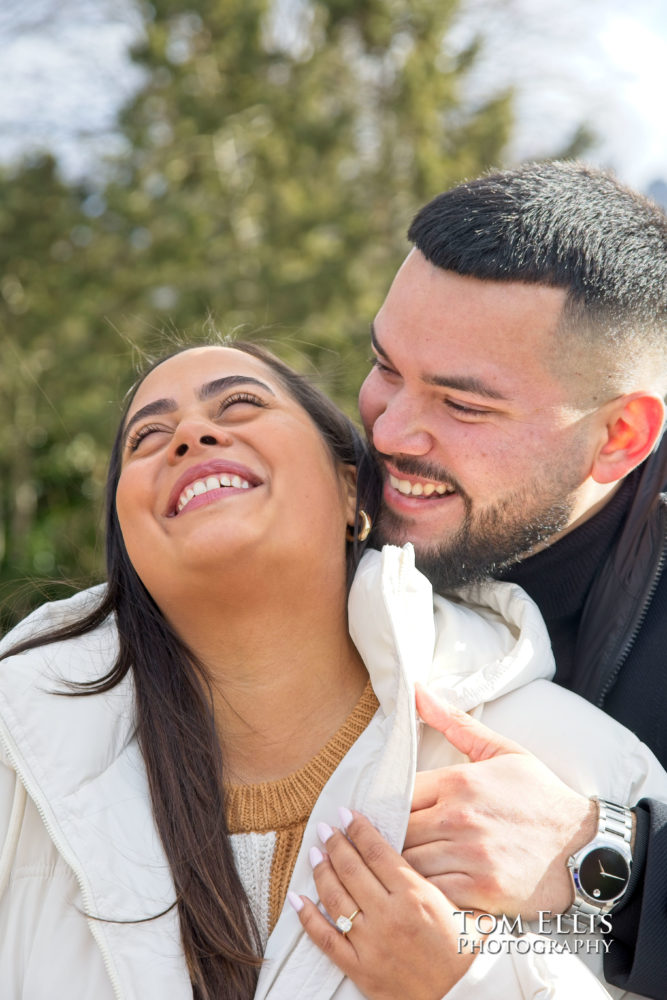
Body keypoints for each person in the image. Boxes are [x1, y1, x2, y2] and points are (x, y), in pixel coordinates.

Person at [0, 341, 662, 1000]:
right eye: (147, 438)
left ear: (352, 488)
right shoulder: (18, 767)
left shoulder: (564, 768)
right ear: (127, 541)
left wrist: (469, 982)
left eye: (239, 404)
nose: (192, 434)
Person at [358, 160, 667, 998]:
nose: (389, 433)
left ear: (619, 436)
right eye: (385, 366)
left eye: (462, 406)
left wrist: (599, 856)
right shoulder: (315, 502)